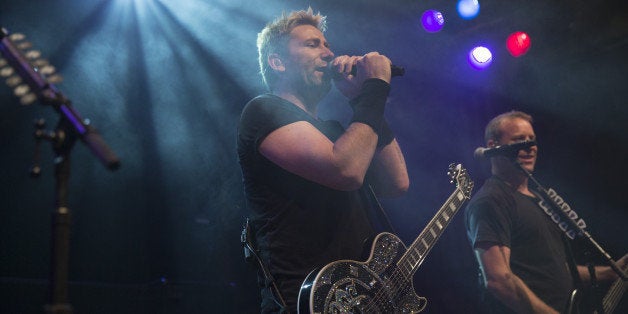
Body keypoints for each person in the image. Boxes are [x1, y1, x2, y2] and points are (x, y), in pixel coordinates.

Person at [237, 8, 409, 313]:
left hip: (354, 300)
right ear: (277, 63)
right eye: (312, 44)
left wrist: (361, 99)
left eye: (327, 44)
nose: (328, 54)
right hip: (302, 302)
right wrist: (375, 89)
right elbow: (345, 170)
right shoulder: (263, 111)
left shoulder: (335, 132)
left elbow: (397, 182)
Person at [464, 111, 627, 313]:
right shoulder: (492, 200)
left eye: (531, 140)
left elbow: (555, 268)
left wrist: (610, 273)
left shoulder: (540, 198)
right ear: (492, 147)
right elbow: (498, 280)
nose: (529, 147)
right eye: (518, 141)